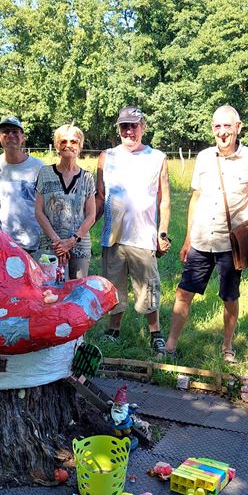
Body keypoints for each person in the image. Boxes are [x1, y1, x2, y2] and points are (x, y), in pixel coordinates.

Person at [164, 105, 248, 363]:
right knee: (183, 292)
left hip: (231, 244)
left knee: (230, 297)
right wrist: (187, 239)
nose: (222, 132)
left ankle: (227, 346)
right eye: (217, 126)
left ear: (238, 128)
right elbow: (195, 198)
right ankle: (170, 345)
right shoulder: (204, 157)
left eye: (227, 126)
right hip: (201, 239)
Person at [95, 105, 171, 355]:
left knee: (148, 287)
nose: (129, 131)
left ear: (143, 127)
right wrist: (83, 228)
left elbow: (164, 199)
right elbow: (100, 197)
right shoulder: (107, 156)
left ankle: (155, 333)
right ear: (118, 128)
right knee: (113, 288)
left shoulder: (157, 157)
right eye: (124, 126)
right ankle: (113, 331)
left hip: (143, 235)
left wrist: (162, 232)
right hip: (113, 236)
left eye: (134, 126)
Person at [34, 124, 96, 278]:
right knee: (51, 292)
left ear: (80, 146)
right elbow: (39, 212)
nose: (68, 145)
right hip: (50, 245)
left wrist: (71, 242)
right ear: (56, 145)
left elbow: (91, 215)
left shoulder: (87, 177)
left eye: (74, 142)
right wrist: (57, 242)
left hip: (79, 245)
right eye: (63, 141)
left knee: (78, 293)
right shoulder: (45, 173)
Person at [0, 116, 44, 255]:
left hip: (33, 242)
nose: (10, 135)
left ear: (23, 137)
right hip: (1, 242)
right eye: (6, 132)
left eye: (15, 132)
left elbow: (47, 204)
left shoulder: (38, 167)